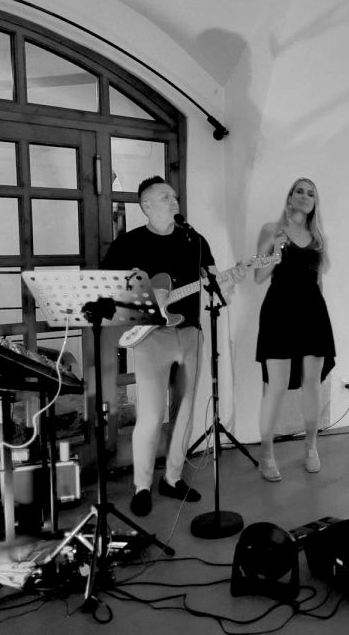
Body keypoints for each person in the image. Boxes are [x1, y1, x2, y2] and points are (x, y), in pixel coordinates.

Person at [101, 176, 243, 516]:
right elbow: (108, 290)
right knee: (150, 415)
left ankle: (173, 478)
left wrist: (230, 280)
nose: (174, 201)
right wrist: (146, 300)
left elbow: (215, 283)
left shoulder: (194, 240)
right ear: (146, 206)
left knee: (186, 409)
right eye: (165, 197)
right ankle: (142, 486)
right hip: (151, 337)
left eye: (174, 196)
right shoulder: (129, 243)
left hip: (191, 332)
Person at [254, 178, 336, 482]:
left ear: (315, 203)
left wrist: (320, 315)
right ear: (289, 197)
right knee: (275, 387)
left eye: (310, 193)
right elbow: (258, 276)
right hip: (279, 311)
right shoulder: (270, 229)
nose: (304, 196)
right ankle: (266, 454)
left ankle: (311, 447)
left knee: (312, 384)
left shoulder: (319, 238)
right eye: (299, 191)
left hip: (312, 313)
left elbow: (318, 281)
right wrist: (276, 249)